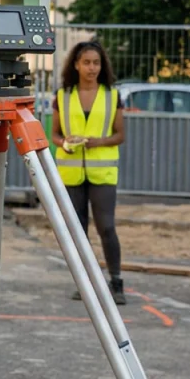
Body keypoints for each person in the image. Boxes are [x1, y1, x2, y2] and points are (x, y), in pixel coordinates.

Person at [51, 41, 126, 305]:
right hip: (71, 173)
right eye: (86, 62)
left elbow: (120, 135)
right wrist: (65, 143)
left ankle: (116, 282)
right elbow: (54, 134)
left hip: (103, 172)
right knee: (77, 230)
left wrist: (98, 142)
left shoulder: (112, 95)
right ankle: (84, 283)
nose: (92, 68)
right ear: (76, 65)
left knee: (106, 227)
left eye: (96, 63)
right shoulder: (62, 96)